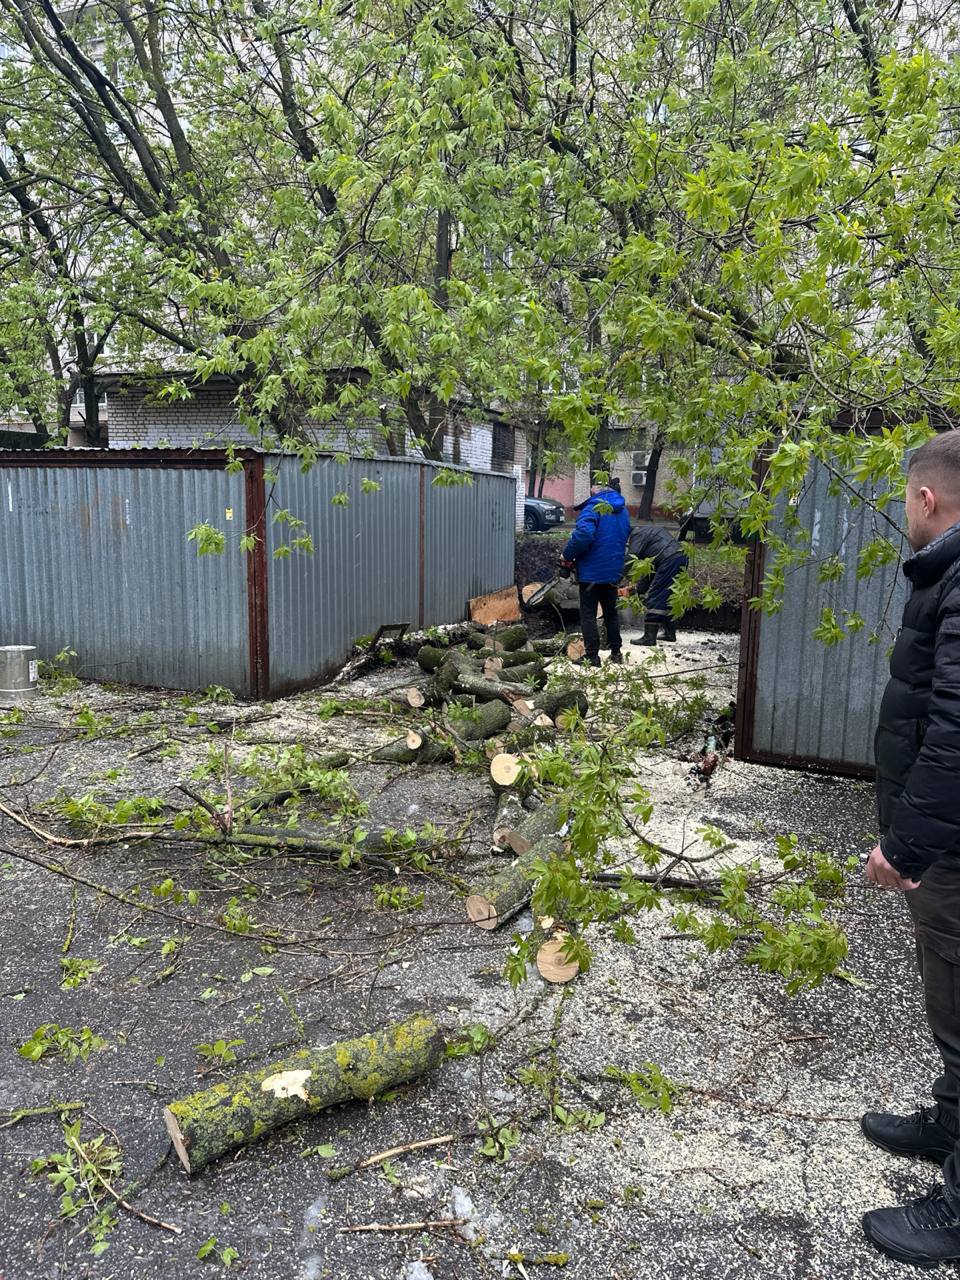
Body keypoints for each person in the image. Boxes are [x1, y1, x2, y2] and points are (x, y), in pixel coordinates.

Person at [861, 431, 960, 1267]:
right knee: (950, 1000)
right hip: (947, 846)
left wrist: (907, 844)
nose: (905, 512)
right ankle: (949, 1124)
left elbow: (958, 733)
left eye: (905, 499)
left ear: (925, 499)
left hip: (951, 845)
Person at [561, 479, 630, 667]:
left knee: (588, 614)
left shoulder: (593, 508)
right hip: (613, 570)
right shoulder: (623, 510)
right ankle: (616, 652)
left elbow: (584, 535)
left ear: (596, 491)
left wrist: (567, 555)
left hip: (592, 571)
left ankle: (592, 656)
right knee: (610, 612)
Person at [624, 522, 688, 646]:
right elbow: (650, 570)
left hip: (669, 559)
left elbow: (630, 558)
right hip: (680, 556)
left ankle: (649, 638)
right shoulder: (649, 533)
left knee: (656, 596)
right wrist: (638, 589)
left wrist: (615, 579)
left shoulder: (637, 535)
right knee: (670, 596)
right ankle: (670, 633)